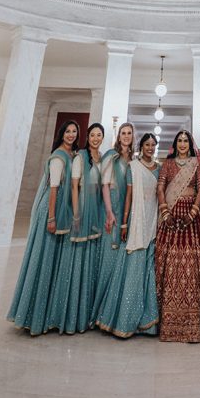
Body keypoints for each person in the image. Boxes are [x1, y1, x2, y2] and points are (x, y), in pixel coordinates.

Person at [7, 120, 79, 335]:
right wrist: (51, 218)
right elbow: (54, 188)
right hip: (51, 210)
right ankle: (34, 316)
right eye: (68, 131)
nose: (71, 135)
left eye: (74, 131)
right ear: (61, 134)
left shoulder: (72, 155)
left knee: (54, 261)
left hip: (61, 211)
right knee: (45, 260)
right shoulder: (58, 156)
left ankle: (48, 313)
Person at [155, 130, 200, 342]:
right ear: (175, 144)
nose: (183, 144)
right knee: (169, 263)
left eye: (186, 141)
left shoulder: (196, 163)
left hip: (192, 219)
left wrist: (193, 213)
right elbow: (160, 187)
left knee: (193, 264)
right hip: (170, 216)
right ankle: (168, 323)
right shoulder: (167, 164)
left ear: (190, 144)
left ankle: (195, 323)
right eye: (180, 141)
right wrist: (165, 211)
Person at [97, 133, 160, 337]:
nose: (150, 147)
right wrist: (124, 223)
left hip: (152, 220)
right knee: (133, 265)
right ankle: (124, 319)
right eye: (146, 144)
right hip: (136, 219)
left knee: (148, 267)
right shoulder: (134, 167)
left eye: (153, 144)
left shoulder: (159, 169)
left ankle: (147, 320)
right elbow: (129, 197)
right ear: (141, 146)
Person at [90, 122, 134, 324]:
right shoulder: (111, 156)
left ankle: (111, 309)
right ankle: (98, 310)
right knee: (108, 255)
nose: (126, 136)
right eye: (123, 133)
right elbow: (105, 184)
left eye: (129, 133)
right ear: (118, 135)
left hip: (125, 210)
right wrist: (109, 211)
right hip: (111, 208)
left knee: (118, 259)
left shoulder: (133, 159)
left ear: (133, 136)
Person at [65, 122, 105, 334]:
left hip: (96, 210)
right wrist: (76, 213)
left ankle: (87, 310)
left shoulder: (102, 158)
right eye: (93, 135)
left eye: (99, 135)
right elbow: (74, 185)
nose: (96, 138)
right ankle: (73, 313)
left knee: (91, 258)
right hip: (82, 208)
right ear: (87, 137)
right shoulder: (80, 157)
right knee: (79, 258)